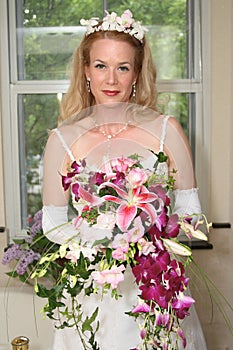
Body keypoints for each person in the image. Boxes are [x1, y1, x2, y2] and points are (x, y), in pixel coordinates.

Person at [42, 9, 207, 350]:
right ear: (86, 71)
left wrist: (147, 241)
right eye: (101, 66)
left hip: (154, 286)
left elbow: (191, 210)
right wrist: (101, 243)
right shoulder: (62, 139)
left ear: (136, 74)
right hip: (94, 289)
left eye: (123, 67)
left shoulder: (167, 130)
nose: (111, 80)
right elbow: (53, 223)